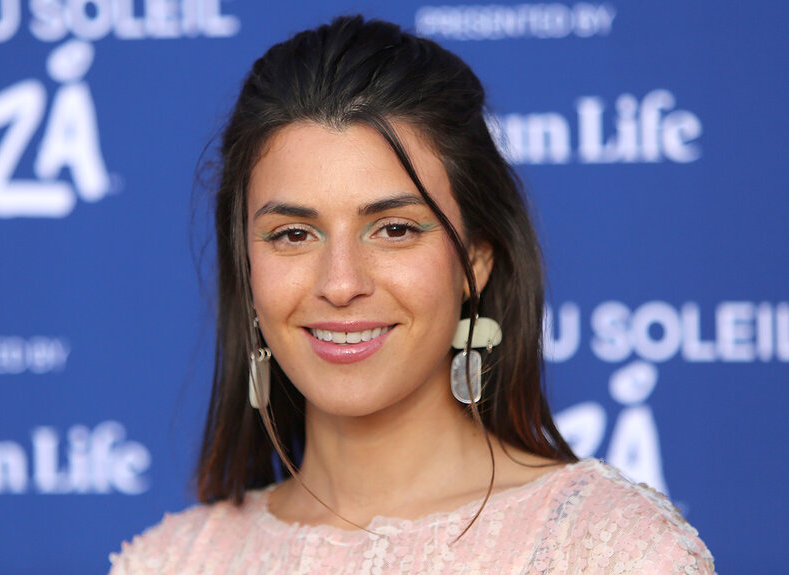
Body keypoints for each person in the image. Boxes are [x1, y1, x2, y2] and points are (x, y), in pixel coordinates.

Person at [108, 15, 714, 574]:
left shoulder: (614, 551)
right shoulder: (170, 563)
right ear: (246, 266)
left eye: (395, 229)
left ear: (475, 259)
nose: (341, 284)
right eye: (293, 234)